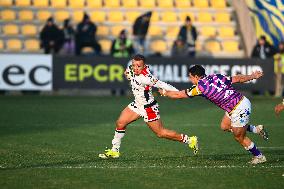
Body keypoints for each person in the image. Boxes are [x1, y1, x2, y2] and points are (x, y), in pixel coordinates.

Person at [159, 65, 268, 164]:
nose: (189, 79)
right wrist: (253, 76)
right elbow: (238, 78)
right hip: (240, 101)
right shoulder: (216, 76)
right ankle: (256, 129)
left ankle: (259, 156)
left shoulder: (199, 88)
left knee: (239, 137)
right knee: (225, 126)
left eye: (190, 76)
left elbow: (179, 95)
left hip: (238, 109)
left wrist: (165, 93)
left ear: (196, 77)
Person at [99, 54, 198, 159]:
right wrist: (128, 74)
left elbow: (163, 85)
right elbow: (128, 72)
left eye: (139, 66)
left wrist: (178, 93)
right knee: (120, 123)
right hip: (137, 104)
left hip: (148, 108)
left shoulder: (147, 78)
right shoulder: (131, 68)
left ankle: (190, 140)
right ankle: (115, 150)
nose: (136, 68)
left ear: (144, 66)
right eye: (134, 65)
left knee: (160, 133)